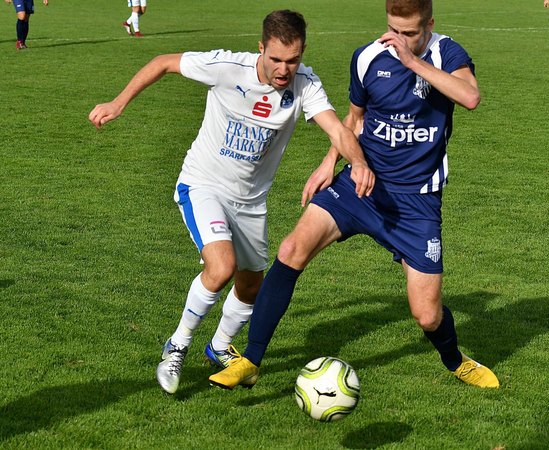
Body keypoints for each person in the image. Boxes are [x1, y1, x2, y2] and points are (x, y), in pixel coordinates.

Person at [209, 0, 500, 391]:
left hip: (416, 203)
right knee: (292, 248)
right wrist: (329, 161)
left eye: (410, 33)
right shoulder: (367, 58)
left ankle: (456, 361)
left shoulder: (447, 53)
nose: (399, 40)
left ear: (429, 23)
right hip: (360, 186)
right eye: (394, 30)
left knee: (427, 316)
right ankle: (251, 360)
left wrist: (413, 62)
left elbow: (470, 96)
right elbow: (355, 120)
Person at [89, 9, 374, 395]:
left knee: (251, 285)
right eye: (276, 59)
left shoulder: (305, 84)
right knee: (221, 267)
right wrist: (119, 102)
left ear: (303, 53)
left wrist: (358, 162)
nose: (284, 69)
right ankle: (177, 346)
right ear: (261, 48)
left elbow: (337, 129)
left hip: (251, 203)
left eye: (292, 60)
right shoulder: (226, 67)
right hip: (203, 185)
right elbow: (163, 62)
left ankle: (220, 346)